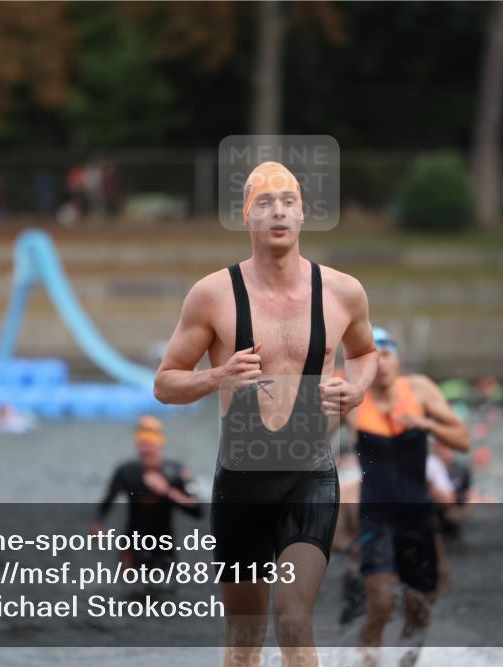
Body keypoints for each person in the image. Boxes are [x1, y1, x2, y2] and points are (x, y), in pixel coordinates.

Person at [154, 160, 378, 666]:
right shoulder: (213, 295)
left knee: (294, 621)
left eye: (288, 202)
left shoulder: (342, 292)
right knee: (243, 639)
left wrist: (356, 390)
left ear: (302, 214)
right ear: (247, 215)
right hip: (241, 483)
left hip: (310, 479)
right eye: (265, 203)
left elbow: (365, 353)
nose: (278, 212)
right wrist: (218, 376)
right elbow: (165, 383)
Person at [348, 327, 470, 666]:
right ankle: (367, 662)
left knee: (420, 608)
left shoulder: (420, 389)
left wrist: (426, 425)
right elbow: (312, 435)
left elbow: (463, 440)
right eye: (373, 359)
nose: (381, 365)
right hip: (375, 517)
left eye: (386, 355)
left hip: (418, 517)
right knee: (381, 601)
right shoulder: (353, 398)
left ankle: (405, 663)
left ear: (397, 359)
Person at [92, 416, 202, 578]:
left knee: (166, 588)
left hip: (164, 546)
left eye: (150, 446)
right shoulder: (126, 472)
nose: (147, 451)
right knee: (128, 589)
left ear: (160, 445)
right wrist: (98, 523)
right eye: (143, 446)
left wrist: (167, 491)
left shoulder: (177, 472)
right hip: (132, 545)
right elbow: (108, 499)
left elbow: (198, 510)